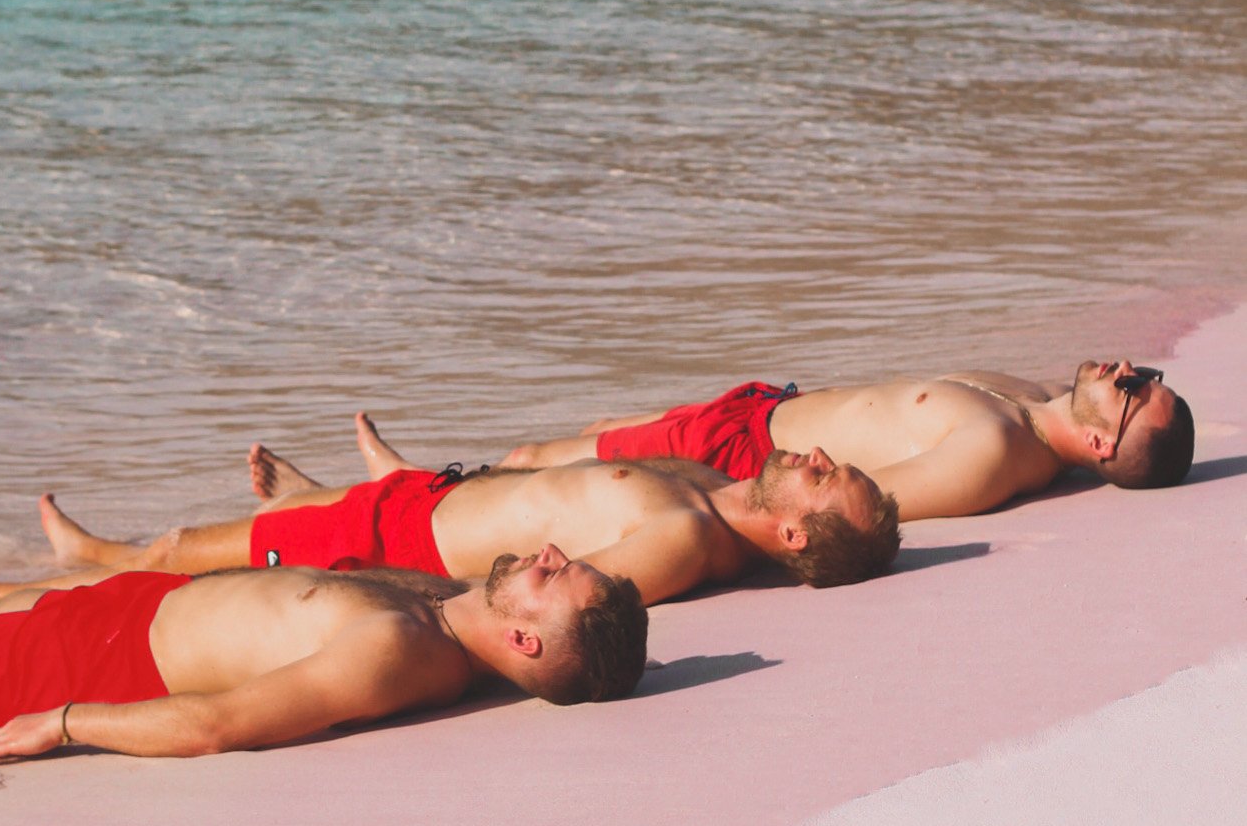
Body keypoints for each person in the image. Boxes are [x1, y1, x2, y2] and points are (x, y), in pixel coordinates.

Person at [0, 549, 649, 765]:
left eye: (563, 579)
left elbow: (218, 724)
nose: (553, 553)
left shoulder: (398, 648)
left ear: (525, 639)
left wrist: (66, 720)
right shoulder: (447, 618)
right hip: (137, 613)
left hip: (105, 660)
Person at [0, 411, 900, 613]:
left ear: (799, 532)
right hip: (423, 504)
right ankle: (87, 552)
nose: (813, 453)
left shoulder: (682, 540)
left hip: (394, 541)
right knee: (173, 553)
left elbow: (519, 592)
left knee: (181, 562)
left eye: (824, 476)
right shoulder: (712, 502)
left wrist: (365, 577)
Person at [500, 359, 1194, 521]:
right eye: (1147, 374)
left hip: (736, 454)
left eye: (1132, 390)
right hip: (763, 408)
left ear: (1102, 445)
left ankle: (407, 503)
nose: (1126, 370)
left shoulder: (994, 455)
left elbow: (863, 501)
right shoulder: (1038, 409)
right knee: (596, 432)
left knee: (533, 465)